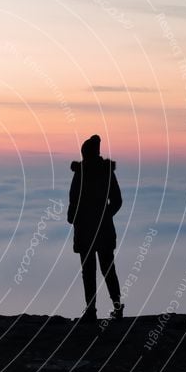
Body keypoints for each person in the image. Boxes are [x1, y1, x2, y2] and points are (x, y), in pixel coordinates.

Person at [67, 134, 124, 323]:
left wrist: (74, 218)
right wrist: (106, 215)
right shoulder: (106, 172)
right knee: (108, 268)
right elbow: (117, 201)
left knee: (89, 271)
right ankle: (116, 307)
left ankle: (91, 311)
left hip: (85, 231)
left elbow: (73, 201)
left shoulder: (81, 173)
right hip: (103, 230)